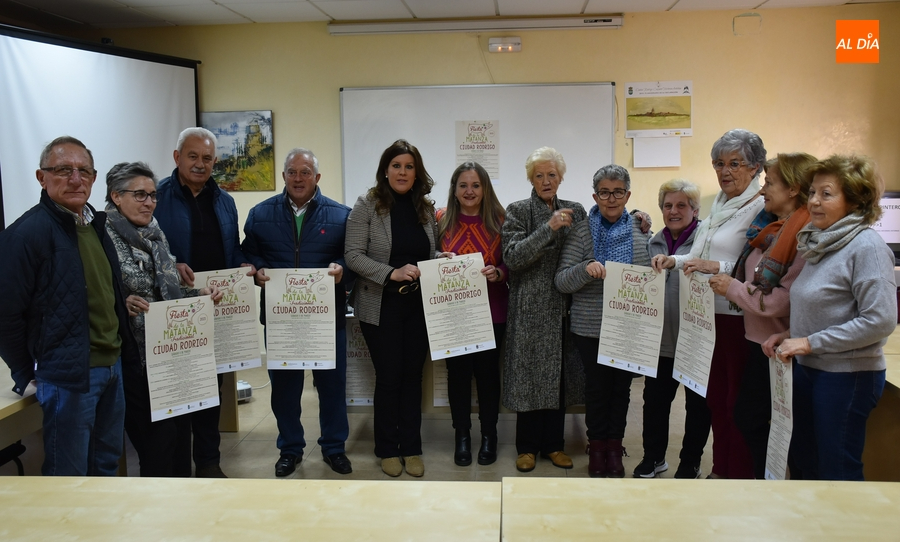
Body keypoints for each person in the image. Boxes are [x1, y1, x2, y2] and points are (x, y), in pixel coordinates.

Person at [0, 136, 138, 476]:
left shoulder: (95, 225)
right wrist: (25, 370)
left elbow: (100, 290)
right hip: (69, 376)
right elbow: (6, 314)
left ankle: (101, 529)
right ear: (41, 177)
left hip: (111, 367)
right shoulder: (26, 234)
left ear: (93, 178)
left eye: (84, 171)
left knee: (106, 462)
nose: (75, 179)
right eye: (63, 170)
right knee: (68, 473)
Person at [765, 155, 897, 481]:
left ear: (854, 199)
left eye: (827, 194)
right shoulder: (819, 241)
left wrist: (811, 342)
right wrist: (792, 335)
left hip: (847, 376)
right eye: (811, 192)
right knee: (804, 461)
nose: (813, 202)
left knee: (836, 470)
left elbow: (880, 320)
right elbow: (823, 307)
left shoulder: (866, 246)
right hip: (810, 369)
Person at [652, 128, 766, 479]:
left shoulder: (761, 208)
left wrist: (716, 268)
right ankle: (719, 470)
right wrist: (678, 261)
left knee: (737, 403)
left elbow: (758, 269)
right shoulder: (719, 203)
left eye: (735, 163)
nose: (725, 171)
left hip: (736, 317)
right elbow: (700, 255)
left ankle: (739, 475)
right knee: (715, 398)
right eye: (719, 163)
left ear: (756, 167)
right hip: (703, 314)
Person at [104, 161, 222, 477]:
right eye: (139, 195)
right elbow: (97, 292)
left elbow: (165, 295)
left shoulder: (156, 234)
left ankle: (182, 511)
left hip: (173, 355)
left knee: (180, 441)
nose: (149, 202)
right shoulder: (102, 237)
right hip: (136, 361)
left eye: (153, 195)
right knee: (156, 450)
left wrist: (200, 296)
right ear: (116, 196)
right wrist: (120, 301)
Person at [242, 148, 354, 477]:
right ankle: (290, 448)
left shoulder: (340, 214)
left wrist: (341, 269)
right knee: (285, 391)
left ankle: (334, 448)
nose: (298, 178)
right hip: (281, 320)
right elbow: (248, 251)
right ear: (283, 176)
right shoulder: (260, 214)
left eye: (305, 172)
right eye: (292, 172)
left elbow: (353, 258)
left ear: (317, 177)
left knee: (332, 388)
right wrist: (257, 269)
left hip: (325, 319)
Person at [344, 139, 451, 478]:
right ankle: (388, 449)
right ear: (385, 170)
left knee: (413, 377)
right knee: (389, 378)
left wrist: (439, 259)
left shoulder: (423, 207)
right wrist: (391, 273)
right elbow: (353, 255)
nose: (402, 172)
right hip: (381, 305)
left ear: (416, 171)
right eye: (396, 166)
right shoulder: (368, 205)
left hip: (418, 305)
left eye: (409, 166)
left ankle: (412, 447)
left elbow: (422, 253)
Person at [155, 127, 256, 478]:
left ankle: (210, 463)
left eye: (207, 158)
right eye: (193, 156)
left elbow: (234, 247)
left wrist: (243, 263)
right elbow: (145, 248)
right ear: (177, 157)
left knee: (212, 390)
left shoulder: (225, 201)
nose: (200, 164)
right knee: (181, 391)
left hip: (218, 309)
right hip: (173, 313)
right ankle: (180, 466)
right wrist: (170, 264)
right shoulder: (157, 197)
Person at [708, 153, 817, 479]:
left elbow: (781, 301)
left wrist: (734, 289)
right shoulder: (770, 227)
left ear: (794, 189)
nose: (763, 189)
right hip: (760, 342)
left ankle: (782, 484)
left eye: (770, 183)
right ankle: (764, 479)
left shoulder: (802, 236)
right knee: (750, 417)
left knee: (781, 426)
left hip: (783, 347)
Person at [554, 164, 651, 478]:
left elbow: (651, 275)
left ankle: (615, 446)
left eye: (618, 192)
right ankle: (597, 447)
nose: (611, 199)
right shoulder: (581, 230)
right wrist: (585, 270)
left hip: (628, 325)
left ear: (628, 194)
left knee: (621, 390)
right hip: (590, 326)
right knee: (596, 389)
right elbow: (561, 281)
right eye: (605, 193)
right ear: (595, 196)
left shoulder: (641, 229)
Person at [502, 146, 586, 473]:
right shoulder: (518, 210)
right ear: (531, 179)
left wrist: (638, 217)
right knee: (529, 378)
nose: (546, 180)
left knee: (559, 379)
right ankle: (526, 447)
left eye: (552, 174)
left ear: (561, 177)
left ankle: (554, 445)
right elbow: (513, 257)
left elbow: (598, 231)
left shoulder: (576, 210)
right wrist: (548, 228)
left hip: (566, 308)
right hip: (529, 309)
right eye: (540, 175)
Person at [635, 179, 711, 479]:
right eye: (668, 205)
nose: (674, 211)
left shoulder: (706, 241)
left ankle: (690, 462)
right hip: (661, 342)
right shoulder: (652, 242)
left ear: (694, 209)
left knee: (697, 407)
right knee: (654, 403)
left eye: (681, 205)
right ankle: (653, 458)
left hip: (695, 340)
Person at [436, 162, 508, 466]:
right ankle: (462, 436)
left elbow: (513, 262)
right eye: (463, 185)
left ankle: (489, 435)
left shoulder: (501, 220)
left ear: (485, 188)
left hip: (492, 312)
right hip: (454, 315)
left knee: (489, 377)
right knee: (459, 377)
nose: (469, 191)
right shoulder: (439, 220)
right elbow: (423, 255)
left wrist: (500, 272)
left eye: (476, 185)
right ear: (454, 189)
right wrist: (437, 258)